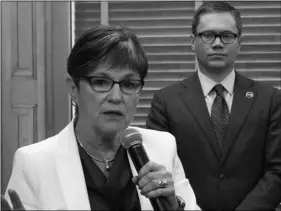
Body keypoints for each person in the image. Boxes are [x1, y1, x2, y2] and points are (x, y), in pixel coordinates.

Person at [1, 25, 200, 210]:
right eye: (100, 82)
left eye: (129, 85)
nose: (116, 97)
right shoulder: (34, 163)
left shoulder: (163, 147)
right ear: (73, 88)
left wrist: (174, 206)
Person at [146, 1, 281, 210]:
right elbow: (160, 172)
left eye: (227, 36)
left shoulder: (269, 99)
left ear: (240, 42)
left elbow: (277, 170)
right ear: (192, 41)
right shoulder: (166, 101)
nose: (217, 43)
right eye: (207, 35)